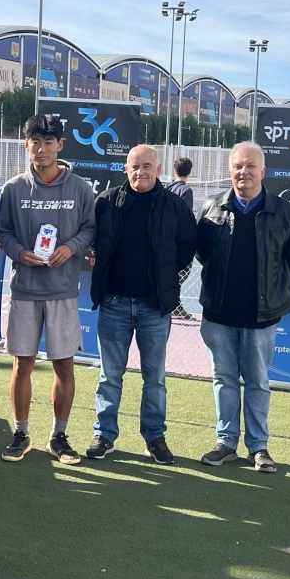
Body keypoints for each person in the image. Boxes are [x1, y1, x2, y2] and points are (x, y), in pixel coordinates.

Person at [196, 142, 290, 473]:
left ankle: (258, 447)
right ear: (231, 171)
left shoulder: (286, 212)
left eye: (250, 166)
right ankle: (226, 442)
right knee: (224, 378)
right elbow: (203, 253)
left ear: (263, 171)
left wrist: (269, 289)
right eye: (238, 167)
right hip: (218, 314)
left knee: (257, 381)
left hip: (262, 316)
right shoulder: (212, 208)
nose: (243, 172)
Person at [86, 145, 197, 464]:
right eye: (135, 167)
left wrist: (166, 277)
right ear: (126, 169)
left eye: (147, 166)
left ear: (159, 169)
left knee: (155, 377)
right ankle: (104, 434)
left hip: (154, 307)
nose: (141, 172)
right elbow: (92, 238)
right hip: (114, 303)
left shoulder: (175, 206)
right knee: (110, 375)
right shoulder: (106, 202)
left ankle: (154, 438)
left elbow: (187, 245)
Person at [0, 114, 95, 464]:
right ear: (26, 145)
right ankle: (21, 433)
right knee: (22, 365)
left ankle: (60, 435)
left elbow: (90, 230)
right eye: (35, 142)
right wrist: (20, 253)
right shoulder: (13, 189)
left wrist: (71, 247)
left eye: (48, 142)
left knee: (63, 367)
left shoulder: (80, 188)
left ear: (60, 146)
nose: (41, 148)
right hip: (24, 290)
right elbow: (3, 233)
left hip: (63, 291)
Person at [167, 157, 195, 319]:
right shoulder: (186, 191)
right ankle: (173, 305)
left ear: (174, 170)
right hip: (178, 241)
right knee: (183, 272)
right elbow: (185, 218)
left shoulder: (167, 188)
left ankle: (175, 305)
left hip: (166, 238)